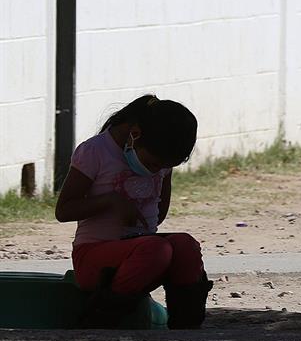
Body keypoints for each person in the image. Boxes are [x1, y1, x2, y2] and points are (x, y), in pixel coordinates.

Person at [55, 94, 213, 329]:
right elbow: (64, 210)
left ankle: (185, 324)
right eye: (152, 164)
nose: (155, 171)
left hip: (145, 256)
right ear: (135, 135)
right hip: (95, 260)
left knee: (186, 246)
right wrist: (111, 201)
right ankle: (101, 317)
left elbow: (158, 215)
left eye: (163, 167)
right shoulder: (96, 152)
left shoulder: (162, 160)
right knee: (156, 249)